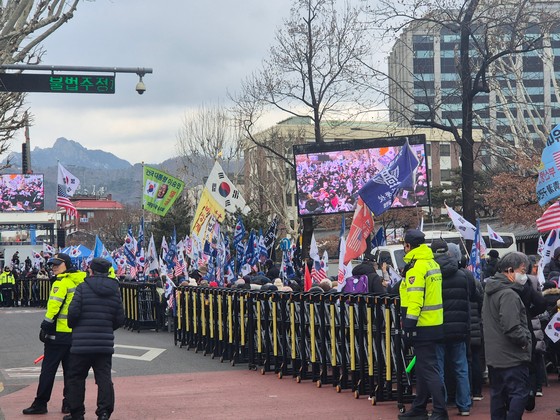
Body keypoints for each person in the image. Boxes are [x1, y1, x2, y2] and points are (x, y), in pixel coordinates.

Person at [23, 253, 86, 415]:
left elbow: (54, 307)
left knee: (48, 370)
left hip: (57, 334)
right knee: (71, 372)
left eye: (57, 264)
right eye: (52, 264)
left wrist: (45, 325)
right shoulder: (80, 281)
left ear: (67, 264)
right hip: (74, 334)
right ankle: (69, 404)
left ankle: (40, 403)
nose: (53, 267)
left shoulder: (62, 282)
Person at [64, 258, 125, 420]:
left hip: (81, 343)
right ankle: (104, 412)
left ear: (91, 270)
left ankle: (77, 413)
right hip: (104, 343)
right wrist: (105, 328)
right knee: (104, 378)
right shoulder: (115, 290)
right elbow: (120, 319)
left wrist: (75, 327)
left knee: (76, 378)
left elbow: (73, 313)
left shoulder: (82, 288)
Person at [398, 229, 447, 420]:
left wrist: (409, 326)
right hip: (434, 323)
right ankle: (419, 407)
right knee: (423, 368)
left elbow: (415, 299)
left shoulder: (416, 268)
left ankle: (439, 411)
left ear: (408, 245)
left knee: (428, 368)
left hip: (422, 325)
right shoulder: (431, 263)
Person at [482, 252, 532, 420]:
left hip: (494, 356)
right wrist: (524, 341)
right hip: (512, 355)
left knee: (498, 397)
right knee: (518, 393)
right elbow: (512, 327)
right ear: (510, 270)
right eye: (522, 271)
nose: (524, 275)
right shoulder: (509, 294)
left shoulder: (490, 291)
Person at [430, 240, 473, 416]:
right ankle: (464, 405)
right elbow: (470, 300)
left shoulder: (431, 274)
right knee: (461, 368)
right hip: (459, 328)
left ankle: (441, 405)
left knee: (438, 369)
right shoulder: (462, 275)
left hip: (437, 327)